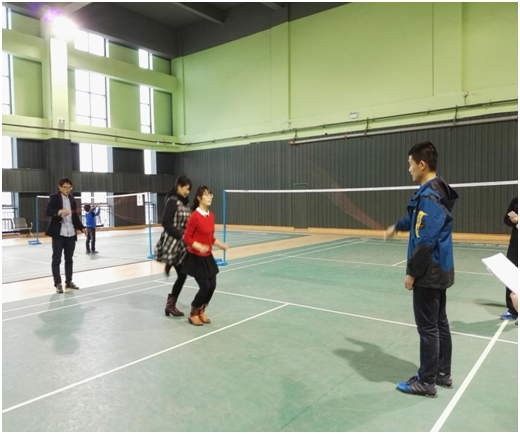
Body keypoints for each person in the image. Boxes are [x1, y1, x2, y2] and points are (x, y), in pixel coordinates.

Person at [385, 141, 458, 398]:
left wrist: (412, 272)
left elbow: (426, 240)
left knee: (428, 328)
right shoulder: (434, 191)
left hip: (430, 271)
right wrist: (397, 226)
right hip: (440, 268)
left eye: (410, 164)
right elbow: (417, 220)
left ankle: (426, 381)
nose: (409, 169)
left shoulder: (430, 197)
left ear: (422, 164)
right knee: (439, 323)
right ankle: (442, 373)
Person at [182, 186, 228, 326]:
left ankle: (201, 310)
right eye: (206, 195)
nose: (209, 197)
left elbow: (210, 237)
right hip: (195, 258)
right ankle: (193, 313)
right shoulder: (194, 217)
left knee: (212, 286)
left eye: (210, 195)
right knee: (205, 287)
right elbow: (187, 237)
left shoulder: (211, 216)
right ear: (199, 198)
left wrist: (219, 244)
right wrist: (198, 246)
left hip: (208, 257)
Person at [154, 175, 192, 317]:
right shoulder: (172, 201)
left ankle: (170, 305)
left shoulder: (184, 203)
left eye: (189, 189)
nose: (187, 192)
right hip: (173, 243)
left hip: (182, 245)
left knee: (182, 275)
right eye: (186, 189)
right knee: (182, 275)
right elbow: (165, 222)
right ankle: (170, 305)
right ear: (179, 186)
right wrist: (180, 234)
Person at [45, 177, 86, 293]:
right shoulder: (54, 198)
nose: (67, 190)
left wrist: (82, 227)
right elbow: (48, 212)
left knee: (69, 260)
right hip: (59, 235)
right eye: (65, 187)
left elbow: (75, 217)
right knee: (56, 260)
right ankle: (58, 283)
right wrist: (59, 212)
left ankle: (69, 282)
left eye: (69, 188)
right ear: (60, 187)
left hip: (71, 235)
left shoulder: (72, 199)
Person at [500, 196, 518, 320]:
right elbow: (506, 219)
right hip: (515, 243)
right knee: (510, 273)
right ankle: (513, 310)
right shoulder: (516, 200)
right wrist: (514, 220)